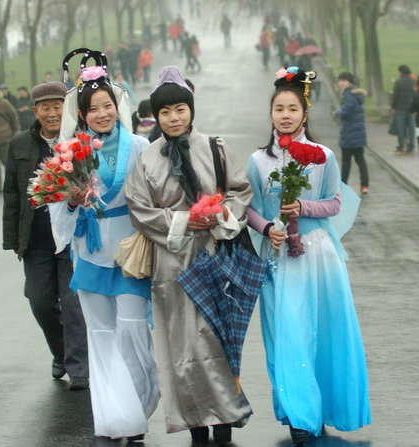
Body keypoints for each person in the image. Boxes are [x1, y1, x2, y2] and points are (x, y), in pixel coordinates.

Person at [125, 66, 253, 445]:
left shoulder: (215, 146)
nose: (174, 118)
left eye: (180, 109)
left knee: (216, 338)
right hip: (172, 260)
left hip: (214, 253)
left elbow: (239, 189)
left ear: (191, 109)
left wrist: (218, 215)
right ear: (157, 116)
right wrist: (183, 221)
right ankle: (195, 421)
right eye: (165, 112)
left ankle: (225, 417)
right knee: (180, 344)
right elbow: (140, 209)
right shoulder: (147, 159)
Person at [245, 67, 371, 445]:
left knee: (326, 332)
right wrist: (268, 228)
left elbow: (335, 202)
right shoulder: (257, 161)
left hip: (319, 255)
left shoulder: (324, 156)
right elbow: (248, 209)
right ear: (270, 113)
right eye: (279, 108)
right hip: (278, 255)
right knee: (288, 333)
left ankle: (323, 408)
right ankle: (300, 416)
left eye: (293, 108)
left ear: (304, 113)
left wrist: (302, 206)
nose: (286, 115)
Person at [48, 60, 159, 441]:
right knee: (101, 335)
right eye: (93, 109)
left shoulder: (142, 147)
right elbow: (57, 207)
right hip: (91, 250)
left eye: (107, 105)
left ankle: (140, 404)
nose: (101, 114)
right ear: (81, 115)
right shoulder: (70, 153)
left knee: (133, 331)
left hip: (131, 250)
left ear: (117, 105)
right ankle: (116, 418)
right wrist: (74, 202)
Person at [2, 81, 89, 391]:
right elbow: (11, 192)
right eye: (46, 108)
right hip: (37, 239)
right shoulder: (19, 144)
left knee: (72, 302)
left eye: (57, 107)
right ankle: (62, 352)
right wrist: (13, 239)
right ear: (35, 111)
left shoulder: (78, 141)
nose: (52, 114)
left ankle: (80, 368)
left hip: (71, 238)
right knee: (39, 301)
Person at [332, 72, 369, 195]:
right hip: (359, 134)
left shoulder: (348, 95)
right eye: (340, 80)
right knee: (360, 160)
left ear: (350, 82)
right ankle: (365, 185)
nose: (341, 83)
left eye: (344, 80)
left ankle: (343, 186)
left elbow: (346, 112)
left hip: (349, 134)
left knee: (346, 162)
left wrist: (337, 113)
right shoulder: (357, 95)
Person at [391, 65, 416, 153]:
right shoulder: (413, 81)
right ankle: (411, 146)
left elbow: (395, 96)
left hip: (400, 108)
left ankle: (401, 146)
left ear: (401, 72)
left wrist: (393, 107)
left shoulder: (398, 82)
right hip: (411, 108)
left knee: (400, 127)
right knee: (411, 128)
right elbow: (415, 95)